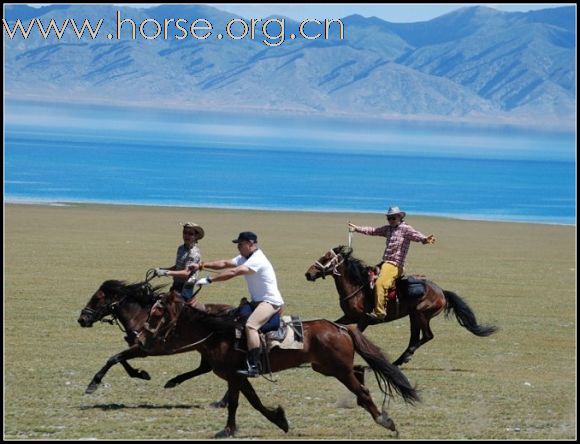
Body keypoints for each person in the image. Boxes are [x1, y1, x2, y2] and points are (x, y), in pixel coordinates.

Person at [190, 231, 284, 377]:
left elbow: (234, 271)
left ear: (250, 244)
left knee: (251, 326)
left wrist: (209, 280)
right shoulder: (245, 257)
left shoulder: (257, 259)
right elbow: (225, 263)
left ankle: (253, 366)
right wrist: (201, 265)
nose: (238, 247)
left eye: (240, 244)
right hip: (257, 301)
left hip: (270, 302)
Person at [348, 206, 436, 321]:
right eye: (389, 218)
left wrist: (425, 239)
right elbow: (373, 231)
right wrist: (357, 229)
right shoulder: (388, 229)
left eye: (393, 218)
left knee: (380, 284)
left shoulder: (406, 229)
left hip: (395, 265)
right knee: (367, 278)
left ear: (400, 217)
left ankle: (380, 312)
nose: (391, 220)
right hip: (385, 263)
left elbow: (416, 235)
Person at [154, 222, 204, 307]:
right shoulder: (181, 248)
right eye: (185, 233)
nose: (186, 236)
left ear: (196, 236)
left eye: (190, 234)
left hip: (186, 287)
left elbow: (186, 273)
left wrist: (166, 273)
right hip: (176, 284)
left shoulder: (194, 253)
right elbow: (177, 267)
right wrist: (163, 269)